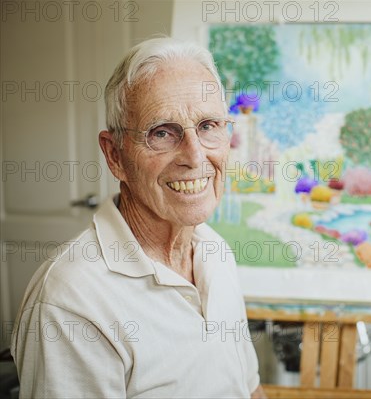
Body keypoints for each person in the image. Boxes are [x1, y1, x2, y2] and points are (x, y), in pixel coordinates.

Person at [11, 37, 266, 398]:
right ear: (115, 155)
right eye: (162, 132)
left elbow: (249, 389)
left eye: (208, 126)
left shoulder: (215, 251)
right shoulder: (71, 301)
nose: (194, 157)